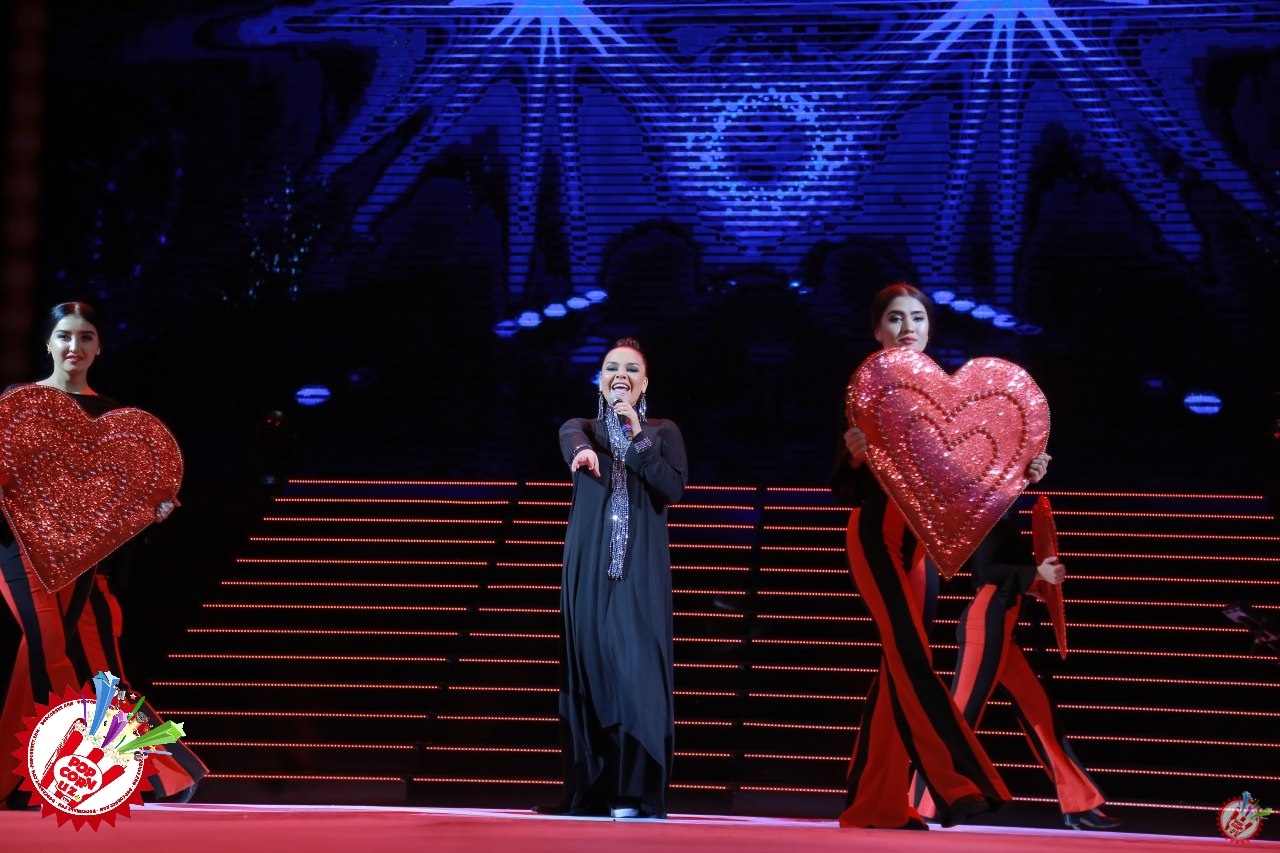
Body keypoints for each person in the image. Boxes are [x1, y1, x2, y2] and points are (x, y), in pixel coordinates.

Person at [0, 301, 206, 807]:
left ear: (99, 347)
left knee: (63, 659)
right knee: (50, 651)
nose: (75, 346)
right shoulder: (18, 403)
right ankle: (60, 776)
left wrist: (154, 507)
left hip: (83, 558)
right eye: (65, 335)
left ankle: (159, 769)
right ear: (48, 343)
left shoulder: (116, 420)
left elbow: (128, 498)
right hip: (19, 547)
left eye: (86, 337)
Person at [831, 283, 1014, 830]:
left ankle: (878, 804)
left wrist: (1020, 471)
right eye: (895, 318)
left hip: (922, 549)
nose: (907, 327)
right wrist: (856, 458)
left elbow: (966, 484)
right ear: (877, 330)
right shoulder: (867, 389)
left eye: (917, 317)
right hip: (877, 537)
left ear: (930, 329)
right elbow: (841, 487)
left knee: (899, 668)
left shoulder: (949, 400)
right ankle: (960, 783)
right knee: (911, 658)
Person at [538, 337, 687, 819]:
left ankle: (636, 791)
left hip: (639, 566)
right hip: (589, 562)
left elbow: (672, 487)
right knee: (592, 667)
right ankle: (593, 791)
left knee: (635, 670)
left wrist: (636, 434)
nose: (620, 374)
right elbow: (572, 440)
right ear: (600, 379)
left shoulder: (662, 431)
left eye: (631, 369)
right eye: (610, 367)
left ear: (644, 383)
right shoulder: (580, 427)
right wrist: (584, 452)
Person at [910, 510, 1122, 831]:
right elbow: (986, 571)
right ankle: (920, 801)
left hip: (1002, 627)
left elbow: (1001, 574)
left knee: (1040, 715)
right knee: (961, 715)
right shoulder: (992, 517)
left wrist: (1033, 584)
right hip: (987, 625)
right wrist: (1036, 572)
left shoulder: (1005, 518)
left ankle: (1081, 805)